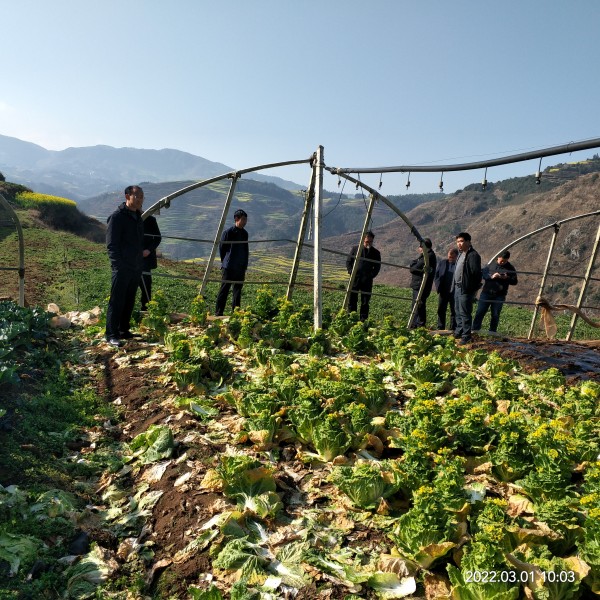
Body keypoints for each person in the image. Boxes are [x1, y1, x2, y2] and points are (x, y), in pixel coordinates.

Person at [105, 185, 145, 347]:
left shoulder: (137, 217)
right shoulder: (117, 217)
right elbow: (111, 245)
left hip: (135, 266)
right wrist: (118, 265)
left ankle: (124, 329)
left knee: (129, 299)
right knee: (117, 300)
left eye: (142, 197)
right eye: (138, 197)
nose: (140, 200)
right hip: (122, 267)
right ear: (127, 196)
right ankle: (111, 334)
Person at [472, 250, 518, 333]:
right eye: (501, 260)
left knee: (495, 314)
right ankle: (475, 330)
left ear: (507, 260)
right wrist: (491, 277)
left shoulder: (510, 268)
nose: (502, 262)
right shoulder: (490, 265)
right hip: (486, 293)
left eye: (504, 261)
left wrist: (506, 278)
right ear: (498, 258)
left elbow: (515, 281)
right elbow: (484, 275)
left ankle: (492, 332)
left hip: (499, 295)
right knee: (480, 312)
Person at [215, 209, 249, 316]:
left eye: (245, 220)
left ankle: (236, 313)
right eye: (243, 219)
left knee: (237, 291)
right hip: (229, 266)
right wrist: (225, 261)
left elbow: (245, 249)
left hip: (240, 267)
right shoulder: (228, 232)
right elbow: (222, 248)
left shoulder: (244, 233)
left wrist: (244, 264)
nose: (245, 222)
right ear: (236, 219)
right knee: (224, 289)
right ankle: (219, 312)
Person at [452, 232, 482, 345]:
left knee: (465, 312)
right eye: (458, 242)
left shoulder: (473, 255)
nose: (459, 244)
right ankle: (459, 331)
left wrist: (472, 289)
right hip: (457, 287)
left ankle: (466, 336)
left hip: (466, 288)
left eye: (462, 241)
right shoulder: (461, 254)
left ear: (469, 242)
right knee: (458, 311)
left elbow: (476, 274)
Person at [345, 231, 382, 320]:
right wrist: (351, 272)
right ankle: (352, 318)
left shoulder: (376, 253)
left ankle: (363, 320)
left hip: (367, 281)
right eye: (367, 242)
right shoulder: (355, 249)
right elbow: (348, 262)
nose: (368, 243)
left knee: (365, 301)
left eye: (370, 242)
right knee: (352, 300)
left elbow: (377, 267)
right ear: (363, 240)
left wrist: (371, 276)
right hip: (355, 279)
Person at [408, 238, 437, 328]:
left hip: (421, 285)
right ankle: (417, 324)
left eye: (420, 246)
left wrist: (413, 264)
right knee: (418, 305)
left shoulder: (428, 257)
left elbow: (414, 269)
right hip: (419, 284)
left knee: (418, 305)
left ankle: (418, 324)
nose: (419, 248)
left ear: (423, 247)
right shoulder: (425, 255)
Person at [139, 214, 162, 311]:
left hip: (145, 259)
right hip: (130, 259)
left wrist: (148, 250)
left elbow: (157, 237)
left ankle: (146, 309)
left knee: (146, 286)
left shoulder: (150, 219)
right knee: (129, 285)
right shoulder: (126, 218)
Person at [434, 247, 459, 330]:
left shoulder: (459, 265)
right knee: (441, 310)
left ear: (456, 256)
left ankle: (453, 328)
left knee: (454, 311)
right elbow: (437, 275)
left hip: (454, 292)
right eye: (449, 256)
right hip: (443, 291)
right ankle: (440, 327)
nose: (450, 258)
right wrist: (438, 286)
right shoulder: (443, 263)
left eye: (452, 257)